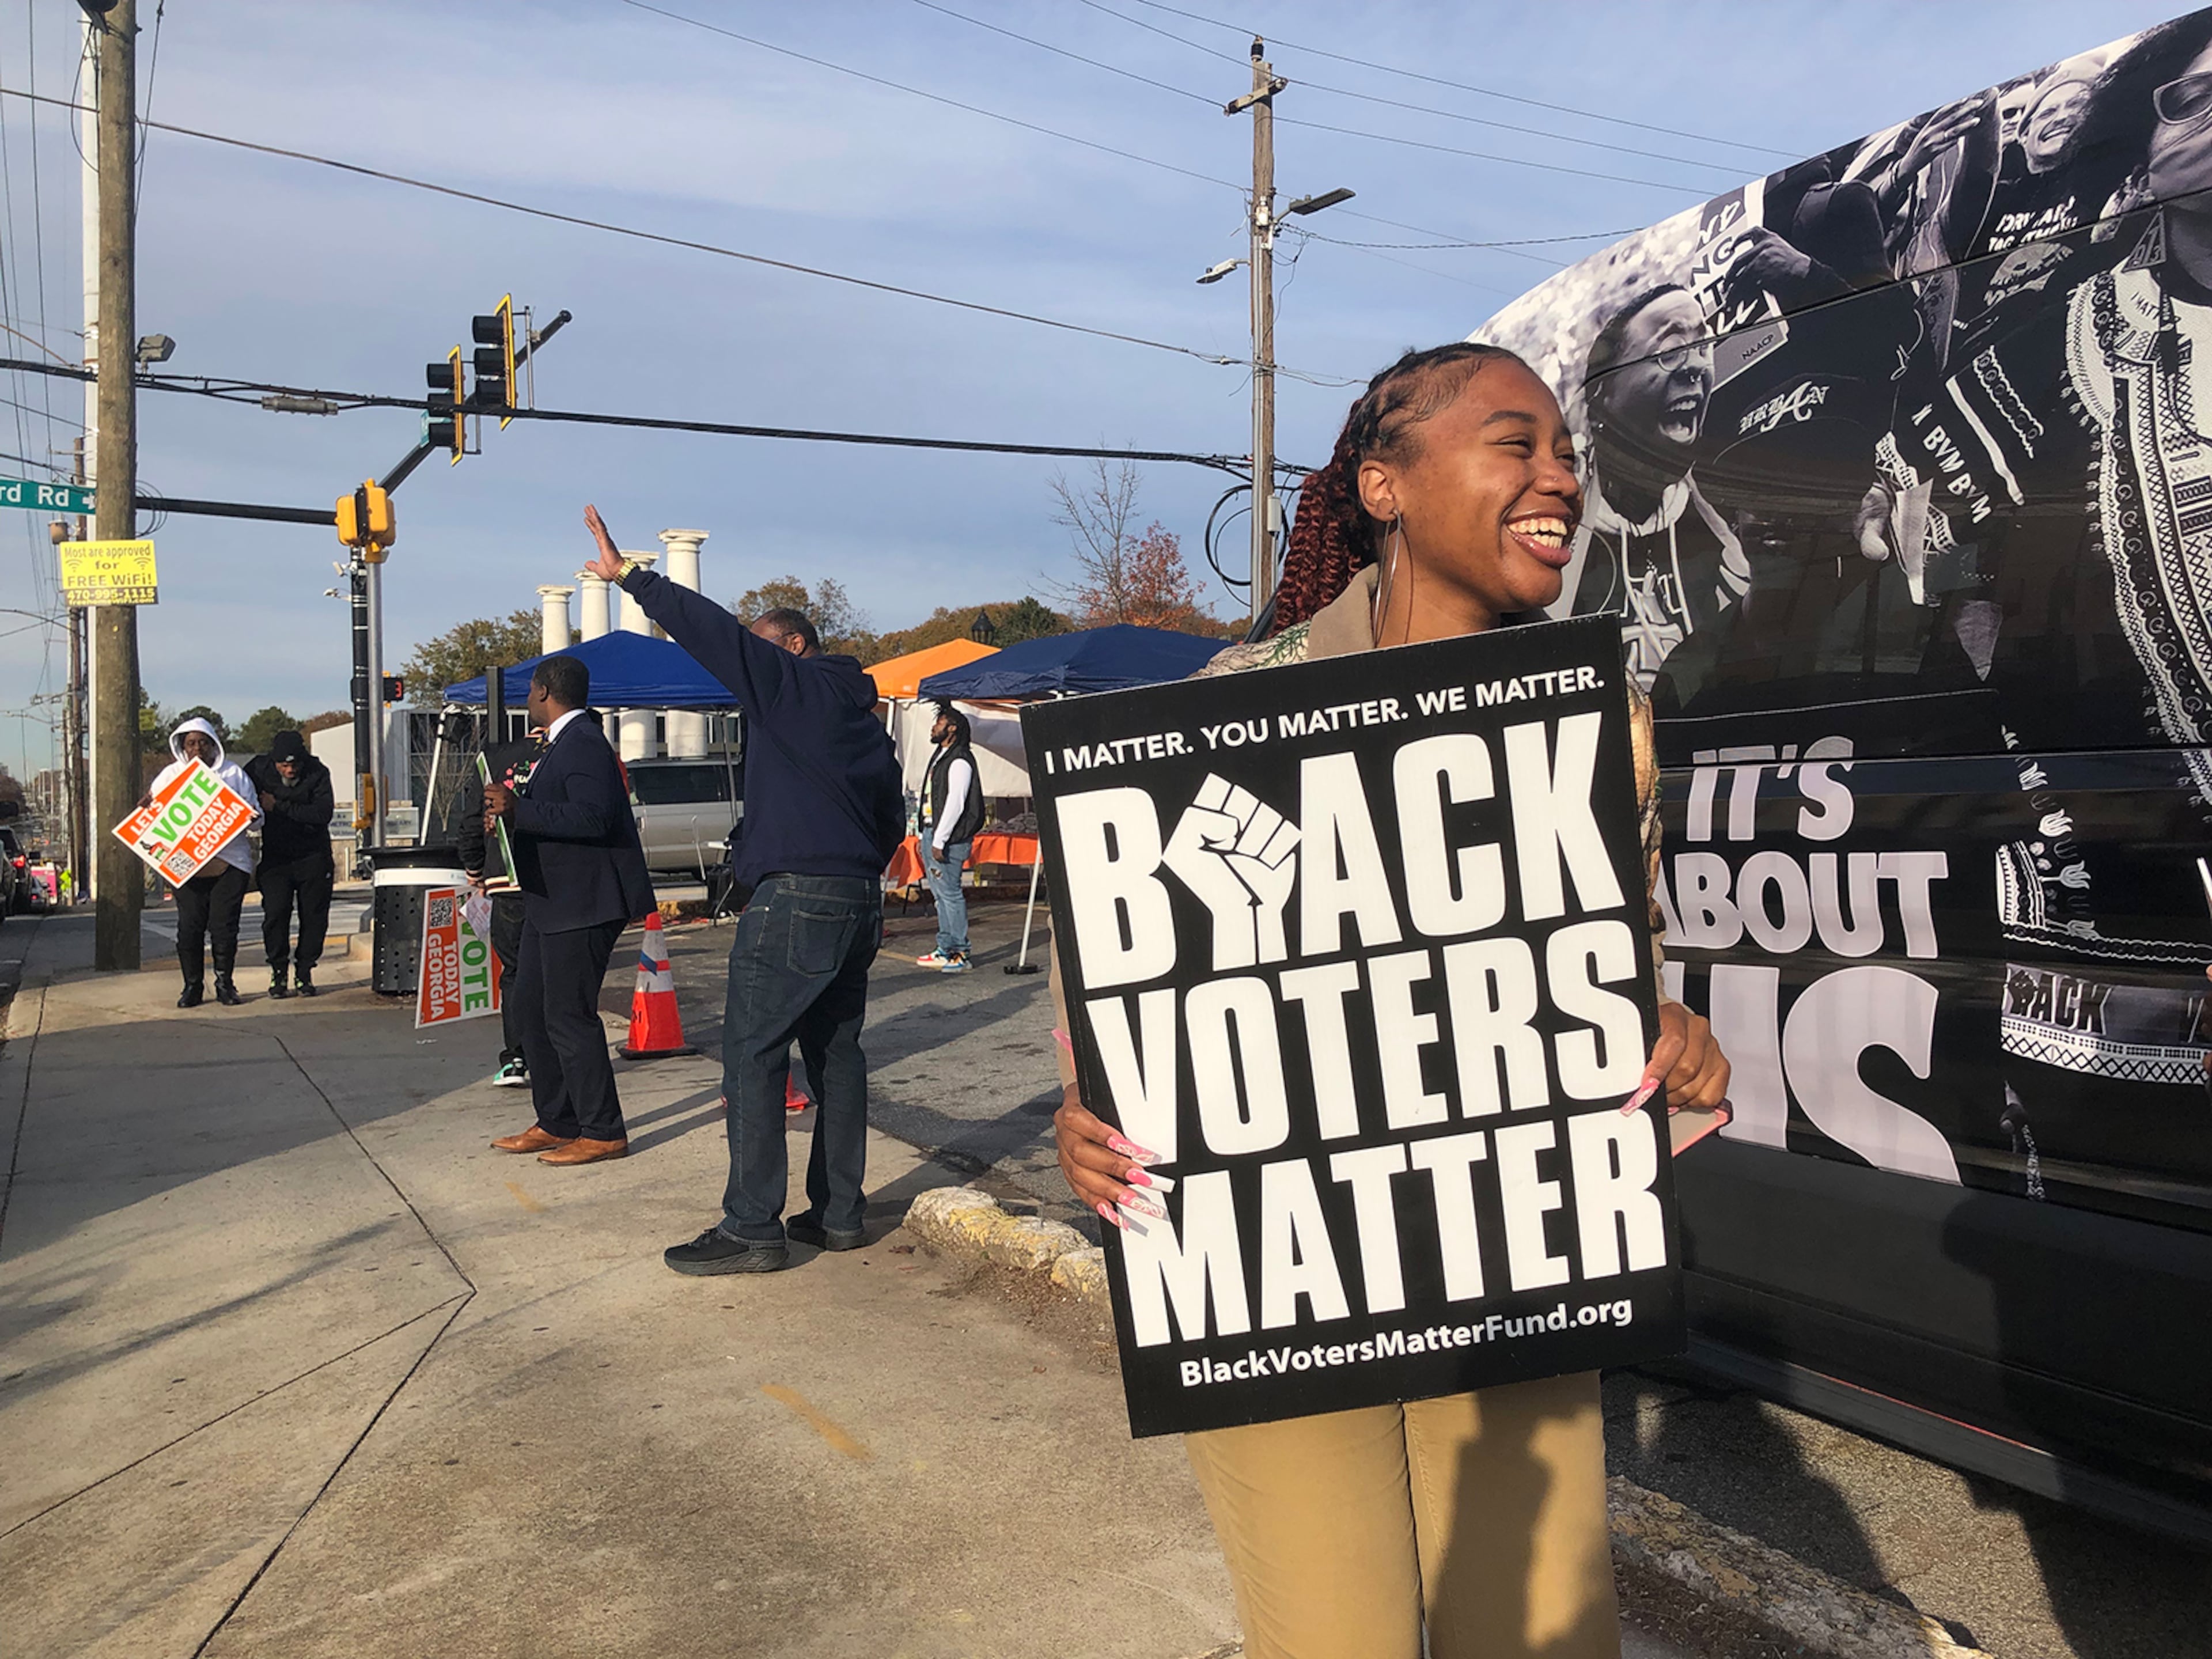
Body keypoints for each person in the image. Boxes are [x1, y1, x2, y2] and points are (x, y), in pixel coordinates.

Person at [1052, 343, 1732, 1659]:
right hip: (1277, 1270)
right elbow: (1130, 981)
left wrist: (1678, 1047)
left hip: (1512, 1263)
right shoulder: (1240, 714)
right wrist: (1092, 1103)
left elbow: (1606, 995)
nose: (1558, 477)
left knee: (1537, 1637)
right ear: (1383, 484)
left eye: (1563, 451)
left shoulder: (1604, 728)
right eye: (1511, 442)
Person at [580, 505, 904, 1274]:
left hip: (797, 897)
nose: (747, 673)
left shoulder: (793, 688)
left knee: (752, 1056)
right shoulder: (864, 719)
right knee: (837, 1057)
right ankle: (837, 1213)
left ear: (793, 645)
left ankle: (751, 1226)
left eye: (764, 653)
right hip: (858, 897)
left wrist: (633, 578)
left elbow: (715, 633)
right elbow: (891, 817)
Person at [483, 655, 655, 1166]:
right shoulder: (555, 745)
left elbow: (594, 816)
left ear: (543, 692)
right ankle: (557, 1119)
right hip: (547, 898)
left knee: (568, 1015)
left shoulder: (583, 742)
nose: (527, 699)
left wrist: (521, 809)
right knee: (530, 1008)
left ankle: (602, 1130)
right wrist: (511, 813)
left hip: (584, 901)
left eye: (531, 691)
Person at [456, 713, 550, 1088]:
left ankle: (516, 1058)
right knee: (555, 970)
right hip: (553, 882)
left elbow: (469, 822)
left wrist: (475, 869)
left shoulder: (492, 760)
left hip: (505, 879)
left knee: (514, 973)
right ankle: (554, 1052)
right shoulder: (565, 752)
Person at [149, 717, 262, 1008]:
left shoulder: (233, 774)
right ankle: (192, 987)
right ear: (182, 748)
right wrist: (146, 810)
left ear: (214, 745)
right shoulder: (170, 776)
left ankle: (225, 985)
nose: (197, 748)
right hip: (185, 866)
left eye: (203, 743)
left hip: (230, 863)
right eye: (191, 744)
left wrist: (251, 815)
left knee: (224, 927)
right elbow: (153, 819)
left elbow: (259, 820)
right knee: (190, 927)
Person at [244, 730, 335, 999]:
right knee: (275, 914)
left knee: (314, 918)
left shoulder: (318, 772)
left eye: (295, 764)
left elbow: (322, 814)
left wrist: (278, 806)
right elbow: (229, 791)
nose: (290, 769)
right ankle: (279, 971)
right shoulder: (257, 769)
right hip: (276, 859)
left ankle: (305, 970)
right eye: (284, 765)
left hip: (313, 857)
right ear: (274, 761)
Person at [915, 699, 983, 972]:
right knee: (940, 894)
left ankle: (959, 952)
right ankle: (945, 946)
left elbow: (956, 802)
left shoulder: (960, 760)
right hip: (932, 831)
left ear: (953, 729)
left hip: (948, 838)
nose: (934, 727)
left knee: (950, 893)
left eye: (940, 722)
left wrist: (940, 840)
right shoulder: (941, 756)